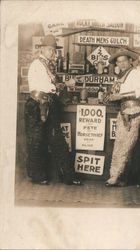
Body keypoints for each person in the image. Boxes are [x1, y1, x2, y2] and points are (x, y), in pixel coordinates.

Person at [25, 34, 81, 185]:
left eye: (54, 50)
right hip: (36, 106)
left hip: (49, 106)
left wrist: (62, 86)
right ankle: (37, 176)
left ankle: (68, 176)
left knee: (57, 140)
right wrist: (63, 85)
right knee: (37, 141)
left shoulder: (49, 66)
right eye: (49, 49)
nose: (52, 53)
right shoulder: (37, 64)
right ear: (42, 49)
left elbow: (53, 88)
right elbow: (43, 87)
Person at [105, 48, 140, 187]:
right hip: (123, 112)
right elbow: (117, 94)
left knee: (126, 146)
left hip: (133, 112)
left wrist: (120, 96)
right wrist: (111, 97)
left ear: (130, 61)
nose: (121, 64)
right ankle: (118, 176)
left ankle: (116, 176)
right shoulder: (121, 76)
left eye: (123, 61)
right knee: (119, 144)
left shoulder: (136, 74)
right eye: (118, 62)